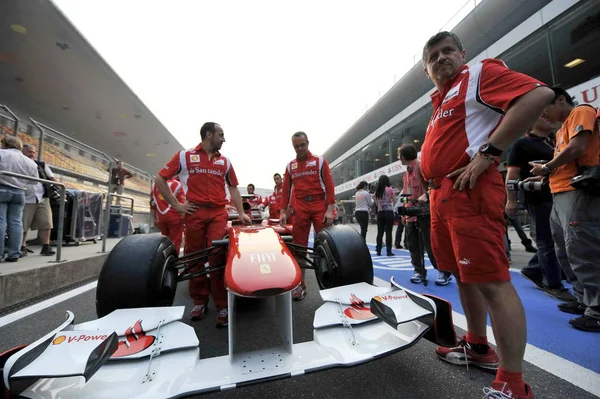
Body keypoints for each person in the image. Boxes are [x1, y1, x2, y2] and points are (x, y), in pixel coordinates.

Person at [420, 31, 554, 398]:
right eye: (432, 56)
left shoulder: (478, 73)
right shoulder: (440, 98)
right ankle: (478, 346)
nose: (441, 58)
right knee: (465, 276)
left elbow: (538, 94)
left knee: (493, 281)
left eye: (448, 51)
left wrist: (489, 153)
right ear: (427, 69)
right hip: (442, 197)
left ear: (463, 53)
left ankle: (513, 382)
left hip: (469, 192)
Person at [154, 122, 251, 327]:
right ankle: (199, 302)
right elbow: (160, 179)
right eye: (221, 135)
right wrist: (177, 205)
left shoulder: (225, 161)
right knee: (193, 256)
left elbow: (233, 188)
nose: (224, 139)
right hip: (193, 212)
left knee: (216, 256)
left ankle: (222, 305)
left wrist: (241, 213)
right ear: (209, 135)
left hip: (218, 213)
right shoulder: (184, 156)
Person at [530, 87, 600, 333]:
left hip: (578, 192)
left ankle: (597, 309)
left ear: (561, 99)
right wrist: (547, 171)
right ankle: (584, 300)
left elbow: (578, 148)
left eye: (544, 109)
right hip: (560, 193)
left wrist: (547, 167)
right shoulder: (561, 129)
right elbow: (567, 156)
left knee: (583, 251)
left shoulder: (580, 112)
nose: (543, 116)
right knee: (566, 253)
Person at [505, 115, 575, 302]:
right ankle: (552, 284)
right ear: (534, 120)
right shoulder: (521, 144)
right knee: (546, 241)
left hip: (558, 194)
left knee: (559, 240)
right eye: (544, 116)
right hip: (537, 198)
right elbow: (512, 174)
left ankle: (534, 269)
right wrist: (511, 200)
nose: (551, 118)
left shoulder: (554, 141)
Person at [280, 131, 335, 301]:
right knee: (299, 247)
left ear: (308, 143)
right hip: (301, 207)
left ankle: (332, 284)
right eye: (296, 146)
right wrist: (283, 211)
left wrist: (330, 209)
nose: (299, 148)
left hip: (320, 205)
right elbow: (286, 190)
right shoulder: (290, 166)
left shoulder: (319, 161)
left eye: (302, 145)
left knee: (326, 246)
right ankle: (300, 286)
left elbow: (329, 184)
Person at [398, 144, 451, 285]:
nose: (398, 158)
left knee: (431, 244)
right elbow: (405, 194)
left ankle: (443, 271)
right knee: (413, 245)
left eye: (399, 156)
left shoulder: (422, 167)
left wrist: (426, 195)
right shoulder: (405, 174)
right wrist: (404, 211)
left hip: (425, 213)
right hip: (410, 214)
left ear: (403, 157)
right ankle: (419, 271)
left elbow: (435, 186)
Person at [0, 136, 38, 262]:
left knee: (1, 222)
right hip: (19, 192)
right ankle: (14, 253)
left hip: (2, 189)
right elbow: (33, 182)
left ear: (4, 144)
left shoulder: (2, 153)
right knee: (16, 223)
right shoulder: (30, 162)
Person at [21, 144, 57, 257]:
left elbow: (51, 177)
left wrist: (59, 187)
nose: (32, 154)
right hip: (26, 197)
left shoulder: (41, 164)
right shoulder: (20, 163)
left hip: (42, 197)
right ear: (22, 152)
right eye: (29, 152)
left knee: (46, 223)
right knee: (23, 224)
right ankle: (22, 246)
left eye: (33, 152)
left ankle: (46, 246)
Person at [150, 177, 185, 254]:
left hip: (161, 218)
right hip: (175, 218)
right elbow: (181, 203)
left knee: (165, 241)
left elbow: (152, 204)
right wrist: (184, 219)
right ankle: (173, 262)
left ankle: (165, 259)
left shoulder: (154, 185)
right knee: (175, 241)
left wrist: (154, 219)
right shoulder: (177, 184)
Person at [373, 175, 396, 257]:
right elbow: (394, 200)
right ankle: (389, 251)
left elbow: (375, 202)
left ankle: (378, 250)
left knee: (380, 232)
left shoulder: (377, 191)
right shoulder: (390, 189)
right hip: (389, 212)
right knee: (389, 232)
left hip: (380, 213)